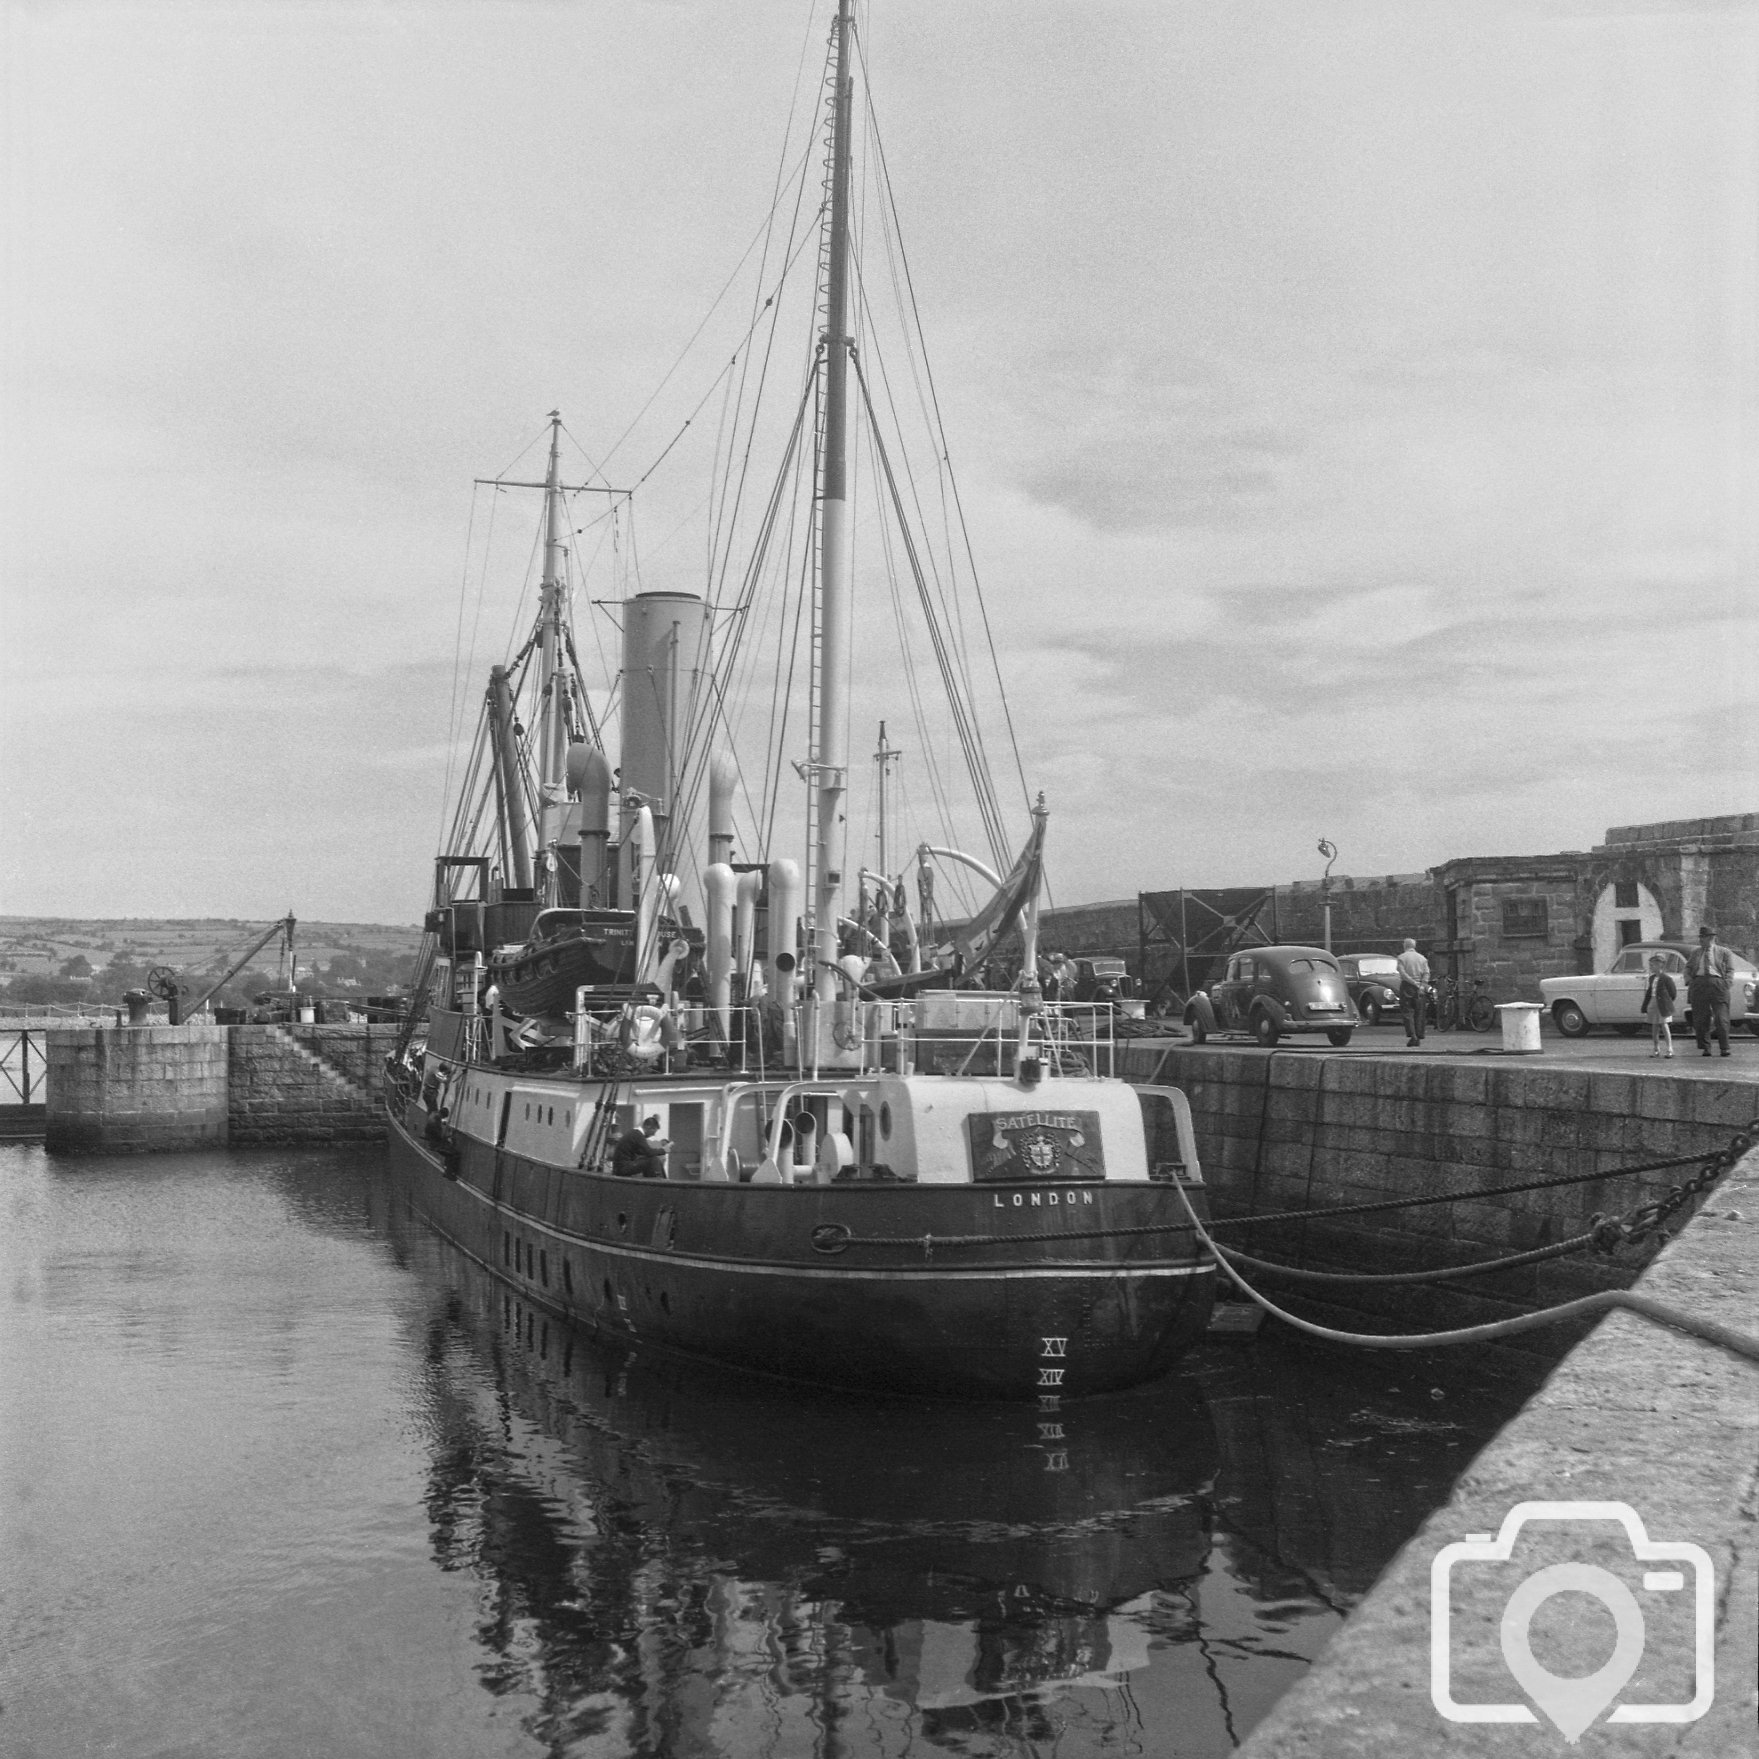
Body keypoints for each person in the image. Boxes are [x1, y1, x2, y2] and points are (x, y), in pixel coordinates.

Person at [1686, 926, 1734, 1058]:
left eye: (1703, 937)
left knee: (1721, 1018)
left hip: (1718, 985)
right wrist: (1690, 981)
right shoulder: (1695, 952)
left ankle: (1724, 1048)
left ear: (1711, 938)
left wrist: (1727, 983)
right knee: (1701, 1019)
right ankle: (1706, 1047)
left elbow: (1730, 969)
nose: (1700, 940)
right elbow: (1688, 968)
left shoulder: (1724, 952)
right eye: (1700, 937)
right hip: (1699, 985)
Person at [1640, 954, 1677, 1059]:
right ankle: (1656, 1049)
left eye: (1653, 965)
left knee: (1664, 1025)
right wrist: (1645, 1005)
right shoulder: (1652, 978)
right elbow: (1649, 992)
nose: (1651, 967)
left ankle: (1670, 1049)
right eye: (1651, 965)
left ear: (1660, 966)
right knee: (1654, 1026)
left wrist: (1667, 1002)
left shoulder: (1666, 978)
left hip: (1663, 1004)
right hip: (1653, 1002)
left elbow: (1672, 993)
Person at [1395, 938, 1431, 1047]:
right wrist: (1422, 984)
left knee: (1408, 1012)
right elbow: (1426, 973)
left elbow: (1403, 973)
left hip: (1407, 986)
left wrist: (1413, 983)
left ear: (1405, 945)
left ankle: (1413, 1035)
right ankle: (1419, 1035)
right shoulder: (1422, 958)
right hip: (1420, 987)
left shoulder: (1401, 957)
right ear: (1414, 946)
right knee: (1420, 1012)